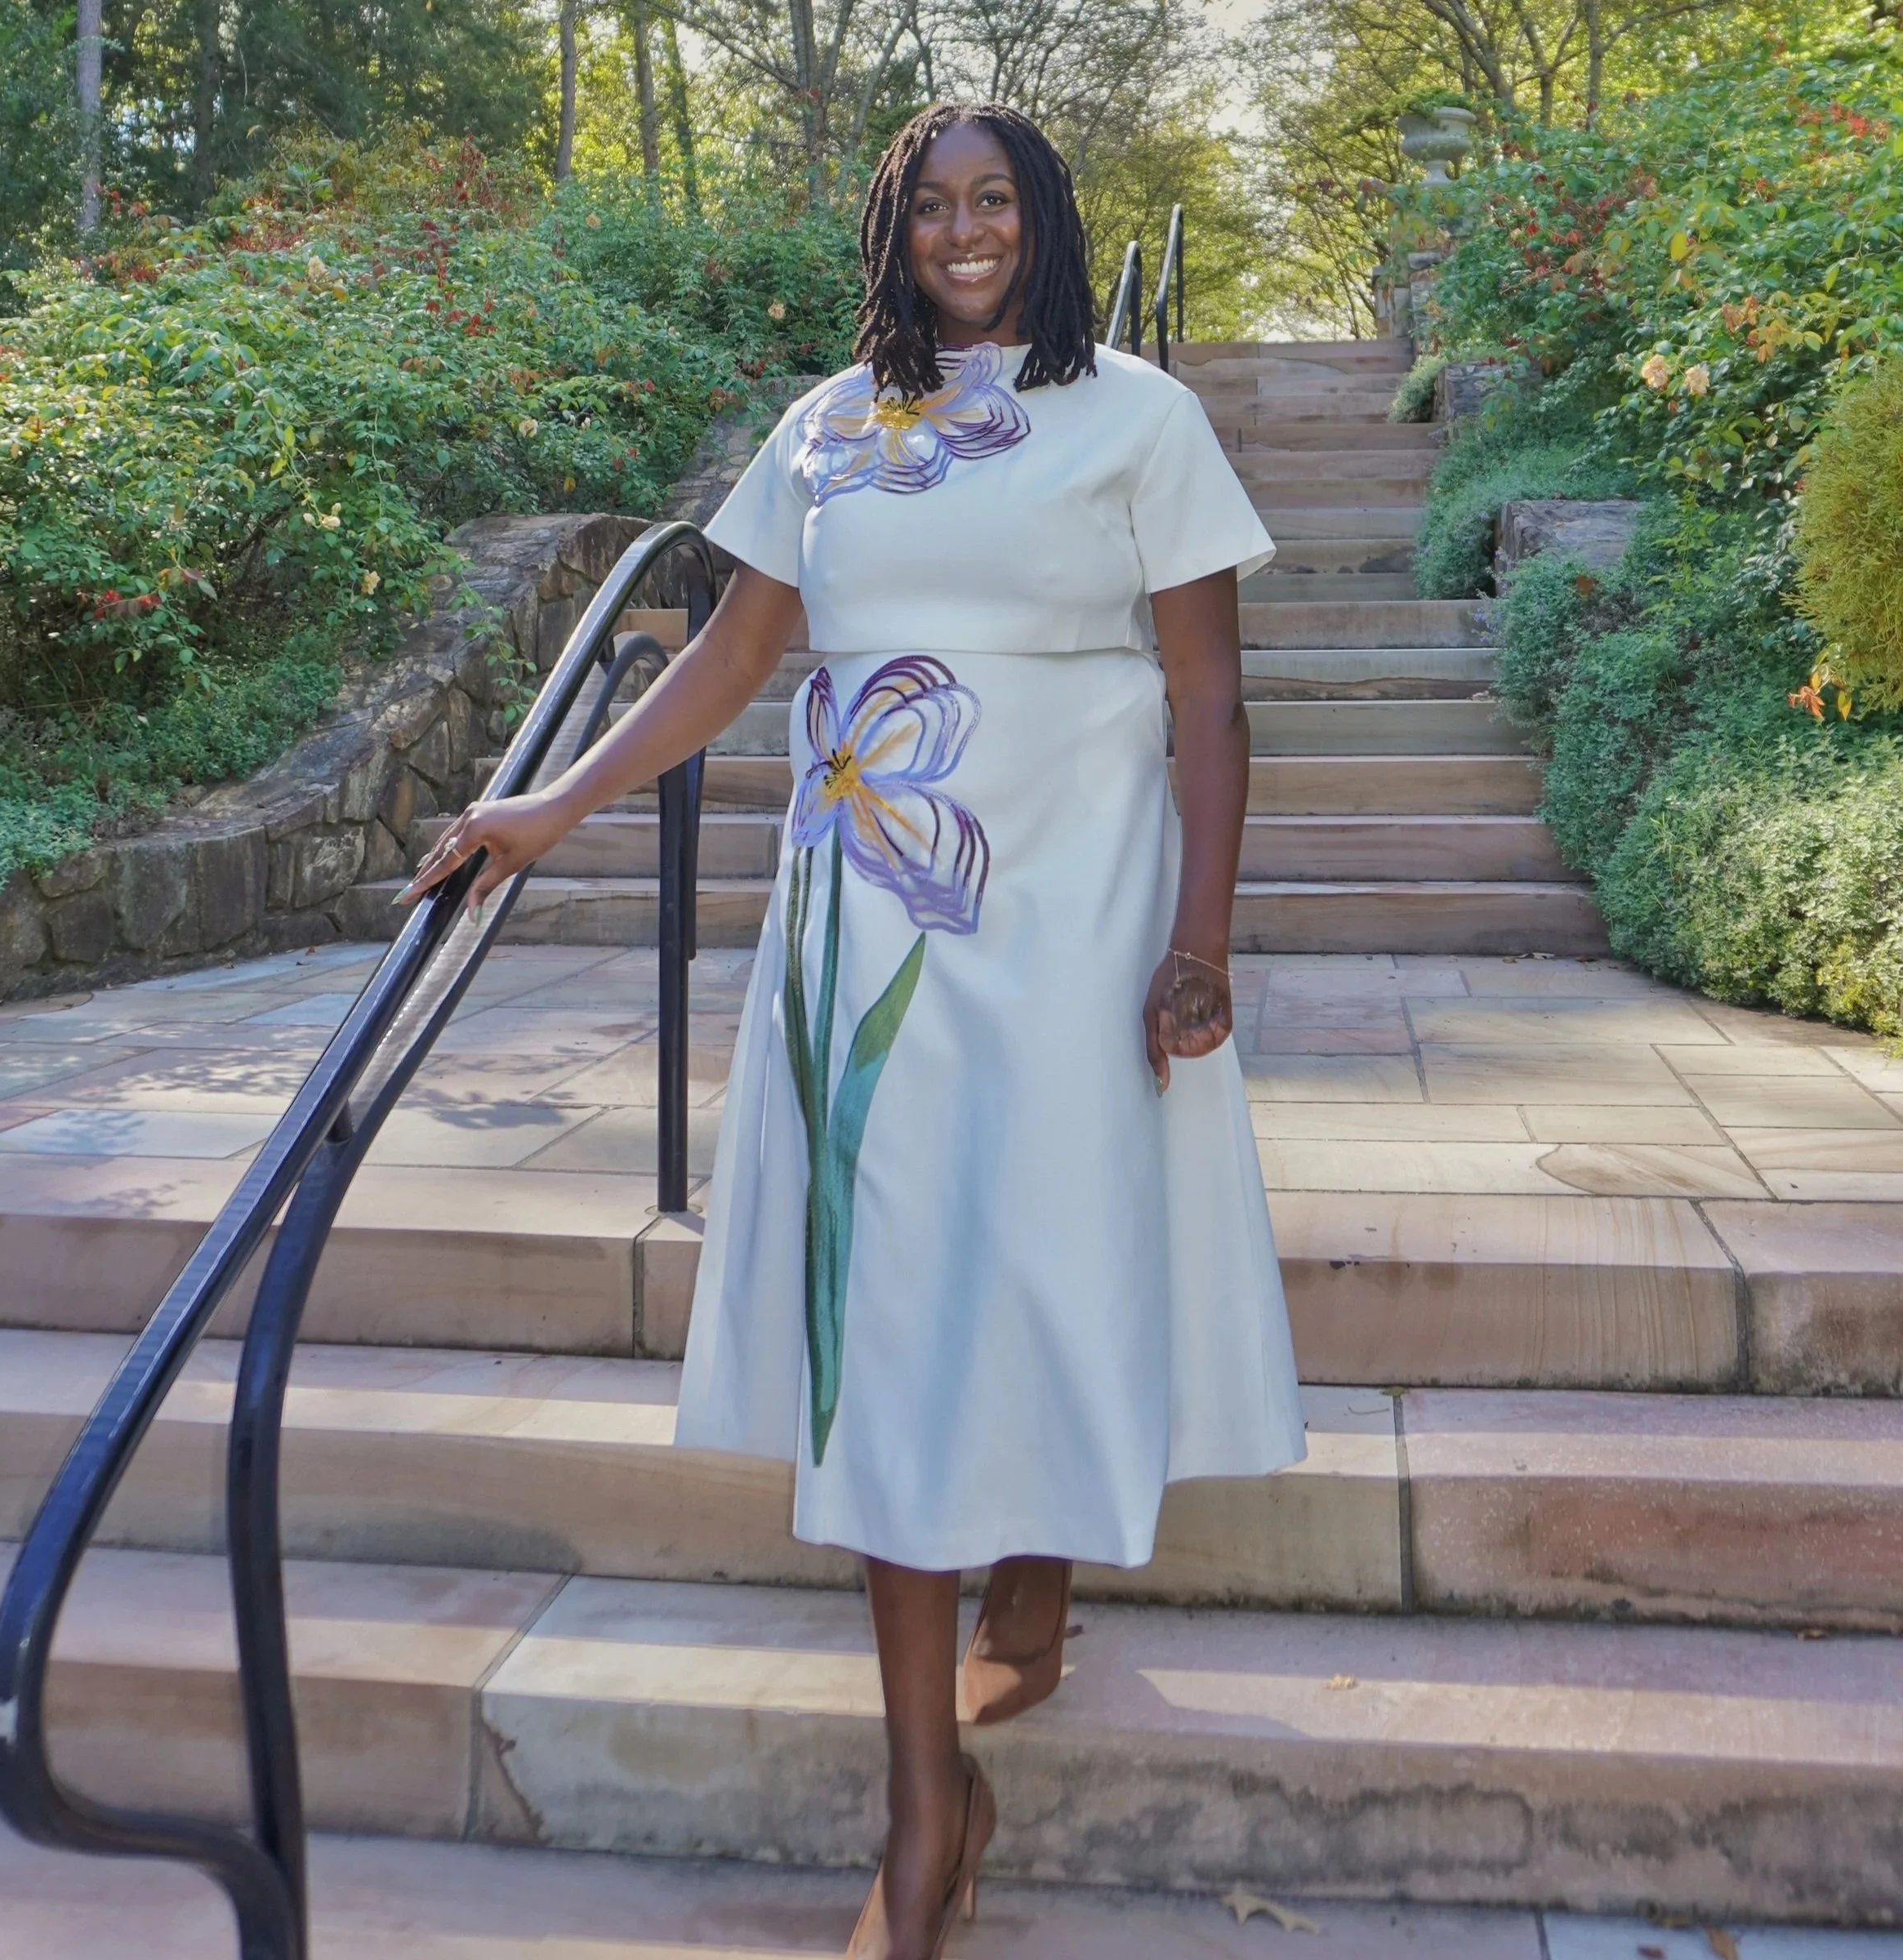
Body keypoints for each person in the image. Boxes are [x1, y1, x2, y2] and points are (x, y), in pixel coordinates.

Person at [405, 100, 1305, 1960]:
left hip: (1072, 912)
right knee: (887, 1312)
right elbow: (736, 657)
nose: (966, 233)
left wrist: (1199, 940)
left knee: (1048, 1255)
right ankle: (923, 1811)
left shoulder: (1143, 414)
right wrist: (546, 809)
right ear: (895, 235)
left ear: (1046, 225)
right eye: (934, 210)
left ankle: (1036, 1564)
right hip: (865, 923)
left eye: (998, 203)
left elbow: (1209, 697)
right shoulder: (830, 424)